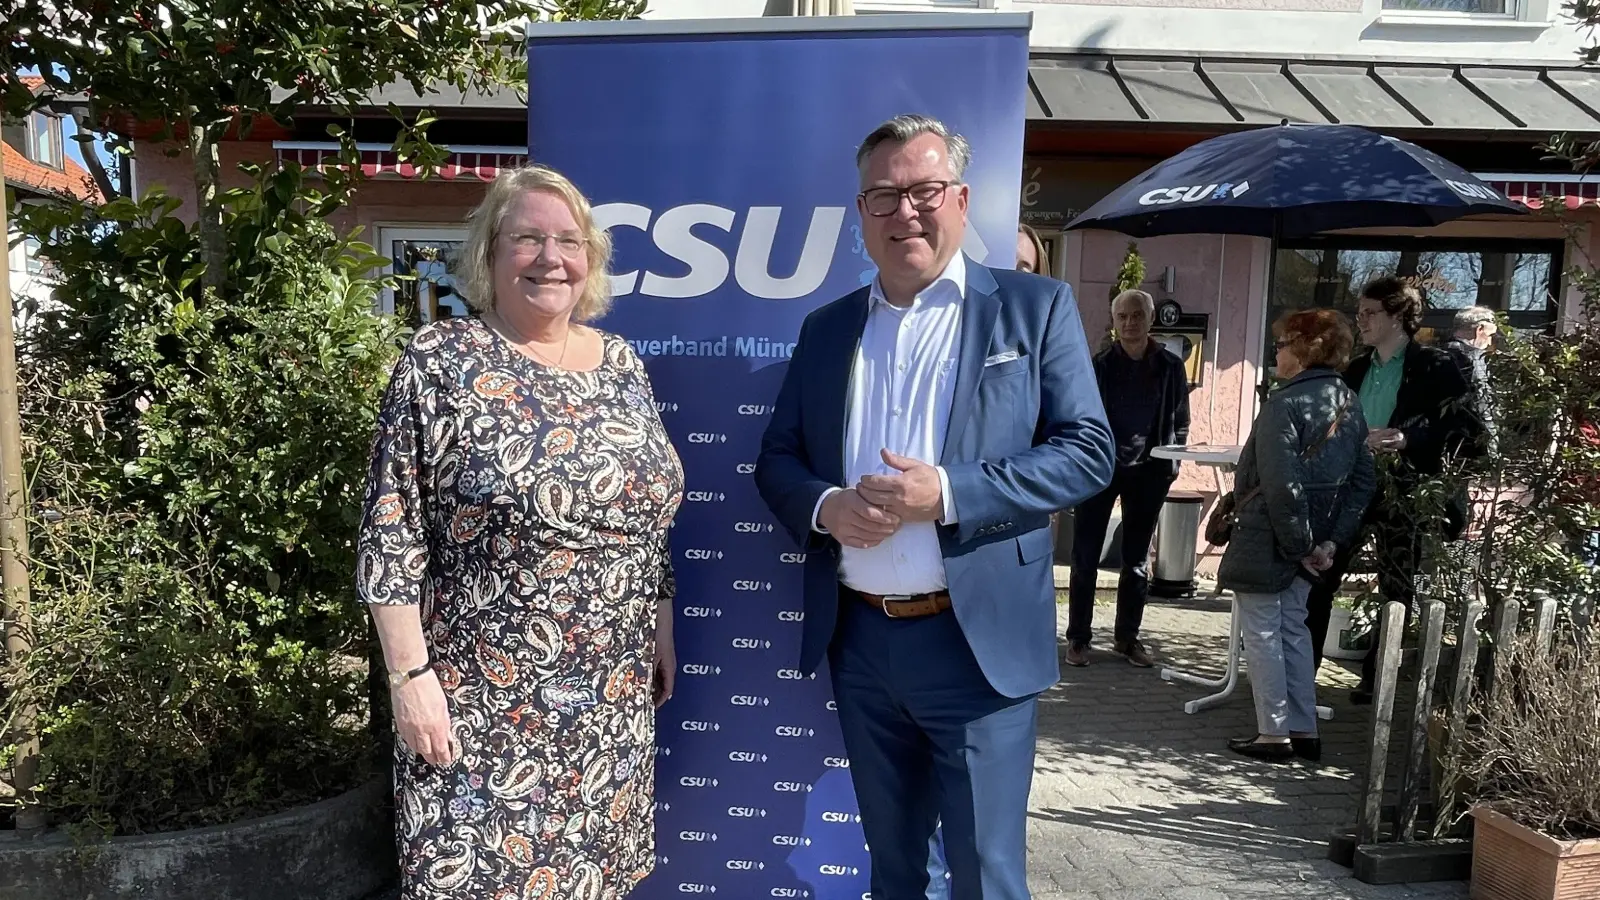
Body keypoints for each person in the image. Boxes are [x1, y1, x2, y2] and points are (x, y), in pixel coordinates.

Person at [754, 114, 1114, 900]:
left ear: (960, 197)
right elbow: (776, 459)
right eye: (882, 196)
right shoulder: (827, 329)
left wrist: (946, 494)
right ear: (860, 212)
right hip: (862, 643)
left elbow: (1089, 452)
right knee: (893, 874)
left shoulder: (1033, 308)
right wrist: (826, 509)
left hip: (975, 641)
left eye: (922, 191)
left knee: (986, 877)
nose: (904, 212)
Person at [356, 165, 683, 900]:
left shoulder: (622, 365)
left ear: (590, 259)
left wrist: (660, 620)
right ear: (489, 253)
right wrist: (409, 680)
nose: (550, 257)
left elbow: (646, 513)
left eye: (568, 240)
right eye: (527, 238)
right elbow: (390, 528)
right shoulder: (439, 362)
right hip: (483, 702)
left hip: (610, 697)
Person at [1305, 276, 1480, 703]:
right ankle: (1300, 673)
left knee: (1395, 589)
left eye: (1370, 312)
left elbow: (1464, 427)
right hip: (1352, 485)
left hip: (1404, 487)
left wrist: (1407, 438)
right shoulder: (1355, 368)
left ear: (1398, 315)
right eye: (1359, 312)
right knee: (1320, 574)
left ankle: (1375, 678)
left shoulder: (1435, 366)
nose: (1360, 320)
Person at [1217, 310, 1375, 762]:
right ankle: (1303, 730)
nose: (1277, 352)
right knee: (1293, 630)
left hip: (1272, 539)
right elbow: (1363, 482)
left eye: (1283, 344)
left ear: (1306, 349)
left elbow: (1282, 486)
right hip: (1314, 541)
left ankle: (1273, 734)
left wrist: (1299, 546)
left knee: (1264, 633)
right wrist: (1329, 543)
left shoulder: (1282, 404)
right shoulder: (1348, 401)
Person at [1064, 289, 1190, 668]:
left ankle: (1127, 638)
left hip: (1148, 474)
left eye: (1137, 315)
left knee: (1136, 562)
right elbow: (1081, 417)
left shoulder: (1170, 366)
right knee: (1085, 558)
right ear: (1114, 322)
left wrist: (1171, 464)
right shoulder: (1099, 365)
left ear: (1150, 320)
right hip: (1100, 471)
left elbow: (1180, 420)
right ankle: (1078, 639)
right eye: (1123, 316)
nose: (1130, 323)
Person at [1440, 305, 1498, 455]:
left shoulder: (1435, 354)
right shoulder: (1473, 358)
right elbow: (1481, 404)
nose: (1490, 342)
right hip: (1470, 446)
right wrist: (1491, 447)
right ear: (1479, 330)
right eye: (1490, 335)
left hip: (1438, 444)